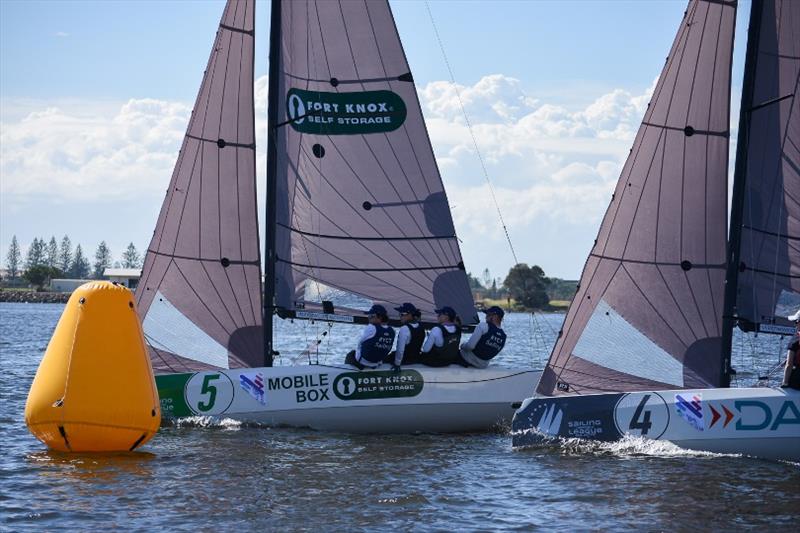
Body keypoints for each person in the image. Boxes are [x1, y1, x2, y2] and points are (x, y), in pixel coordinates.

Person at [344, 304, 395, 370]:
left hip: (363, 362)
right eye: (369, 315)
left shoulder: (371, 327)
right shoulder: (392, 331)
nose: (369, 317)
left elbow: (360, 344)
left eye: (372, 316)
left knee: (350, 354)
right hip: (377, 363)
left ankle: (351, 371)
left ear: (380, 317)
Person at [384, 303, 425, 371]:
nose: (400, 316)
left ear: (410, 315)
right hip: (416, 359)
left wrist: (397, 364)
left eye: (402, 314)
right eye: (400, 314)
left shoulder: (404, 328)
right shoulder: (421, 327)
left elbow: (400, 350)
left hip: (405, 360)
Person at [781, 310, 800, 389]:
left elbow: (789, 365)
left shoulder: (795, 339)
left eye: (795, 322)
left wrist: (784, 384)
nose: (795, 325)